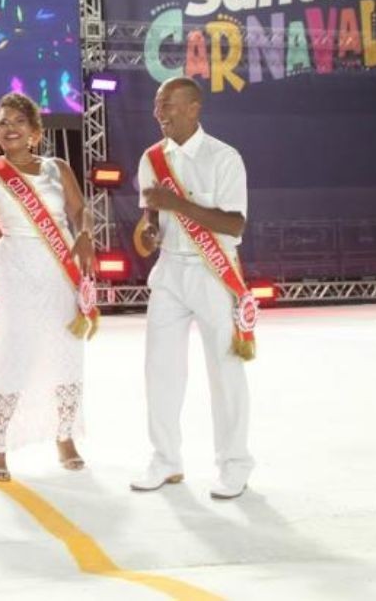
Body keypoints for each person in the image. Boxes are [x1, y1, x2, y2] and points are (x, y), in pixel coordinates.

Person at [0, 91, 96, 482]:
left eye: (18, 122)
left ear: (35, 132)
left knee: (65, 350)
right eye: (3, 123)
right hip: (16, 269)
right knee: (14, 351)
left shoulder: (57, 169)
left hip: (59, 270)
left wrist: (85, 234)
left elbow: (81, 211)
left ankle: (65, 436)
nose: (10, 128)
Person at [132, 76, 255, 500]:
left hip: (212, 273)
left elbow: (234, 224)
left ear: (193, 107)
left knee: (225, 369)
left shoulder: (224, 157)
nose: (159, 113)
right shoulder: (151, 158)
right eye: (156, 105)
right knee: (160, 369)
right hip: (169, 271)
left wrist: (178, 205)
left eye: (167, 104)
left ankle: (234, 465)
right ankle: (165, 460)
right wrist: (150, 232)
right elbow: (150, 218)